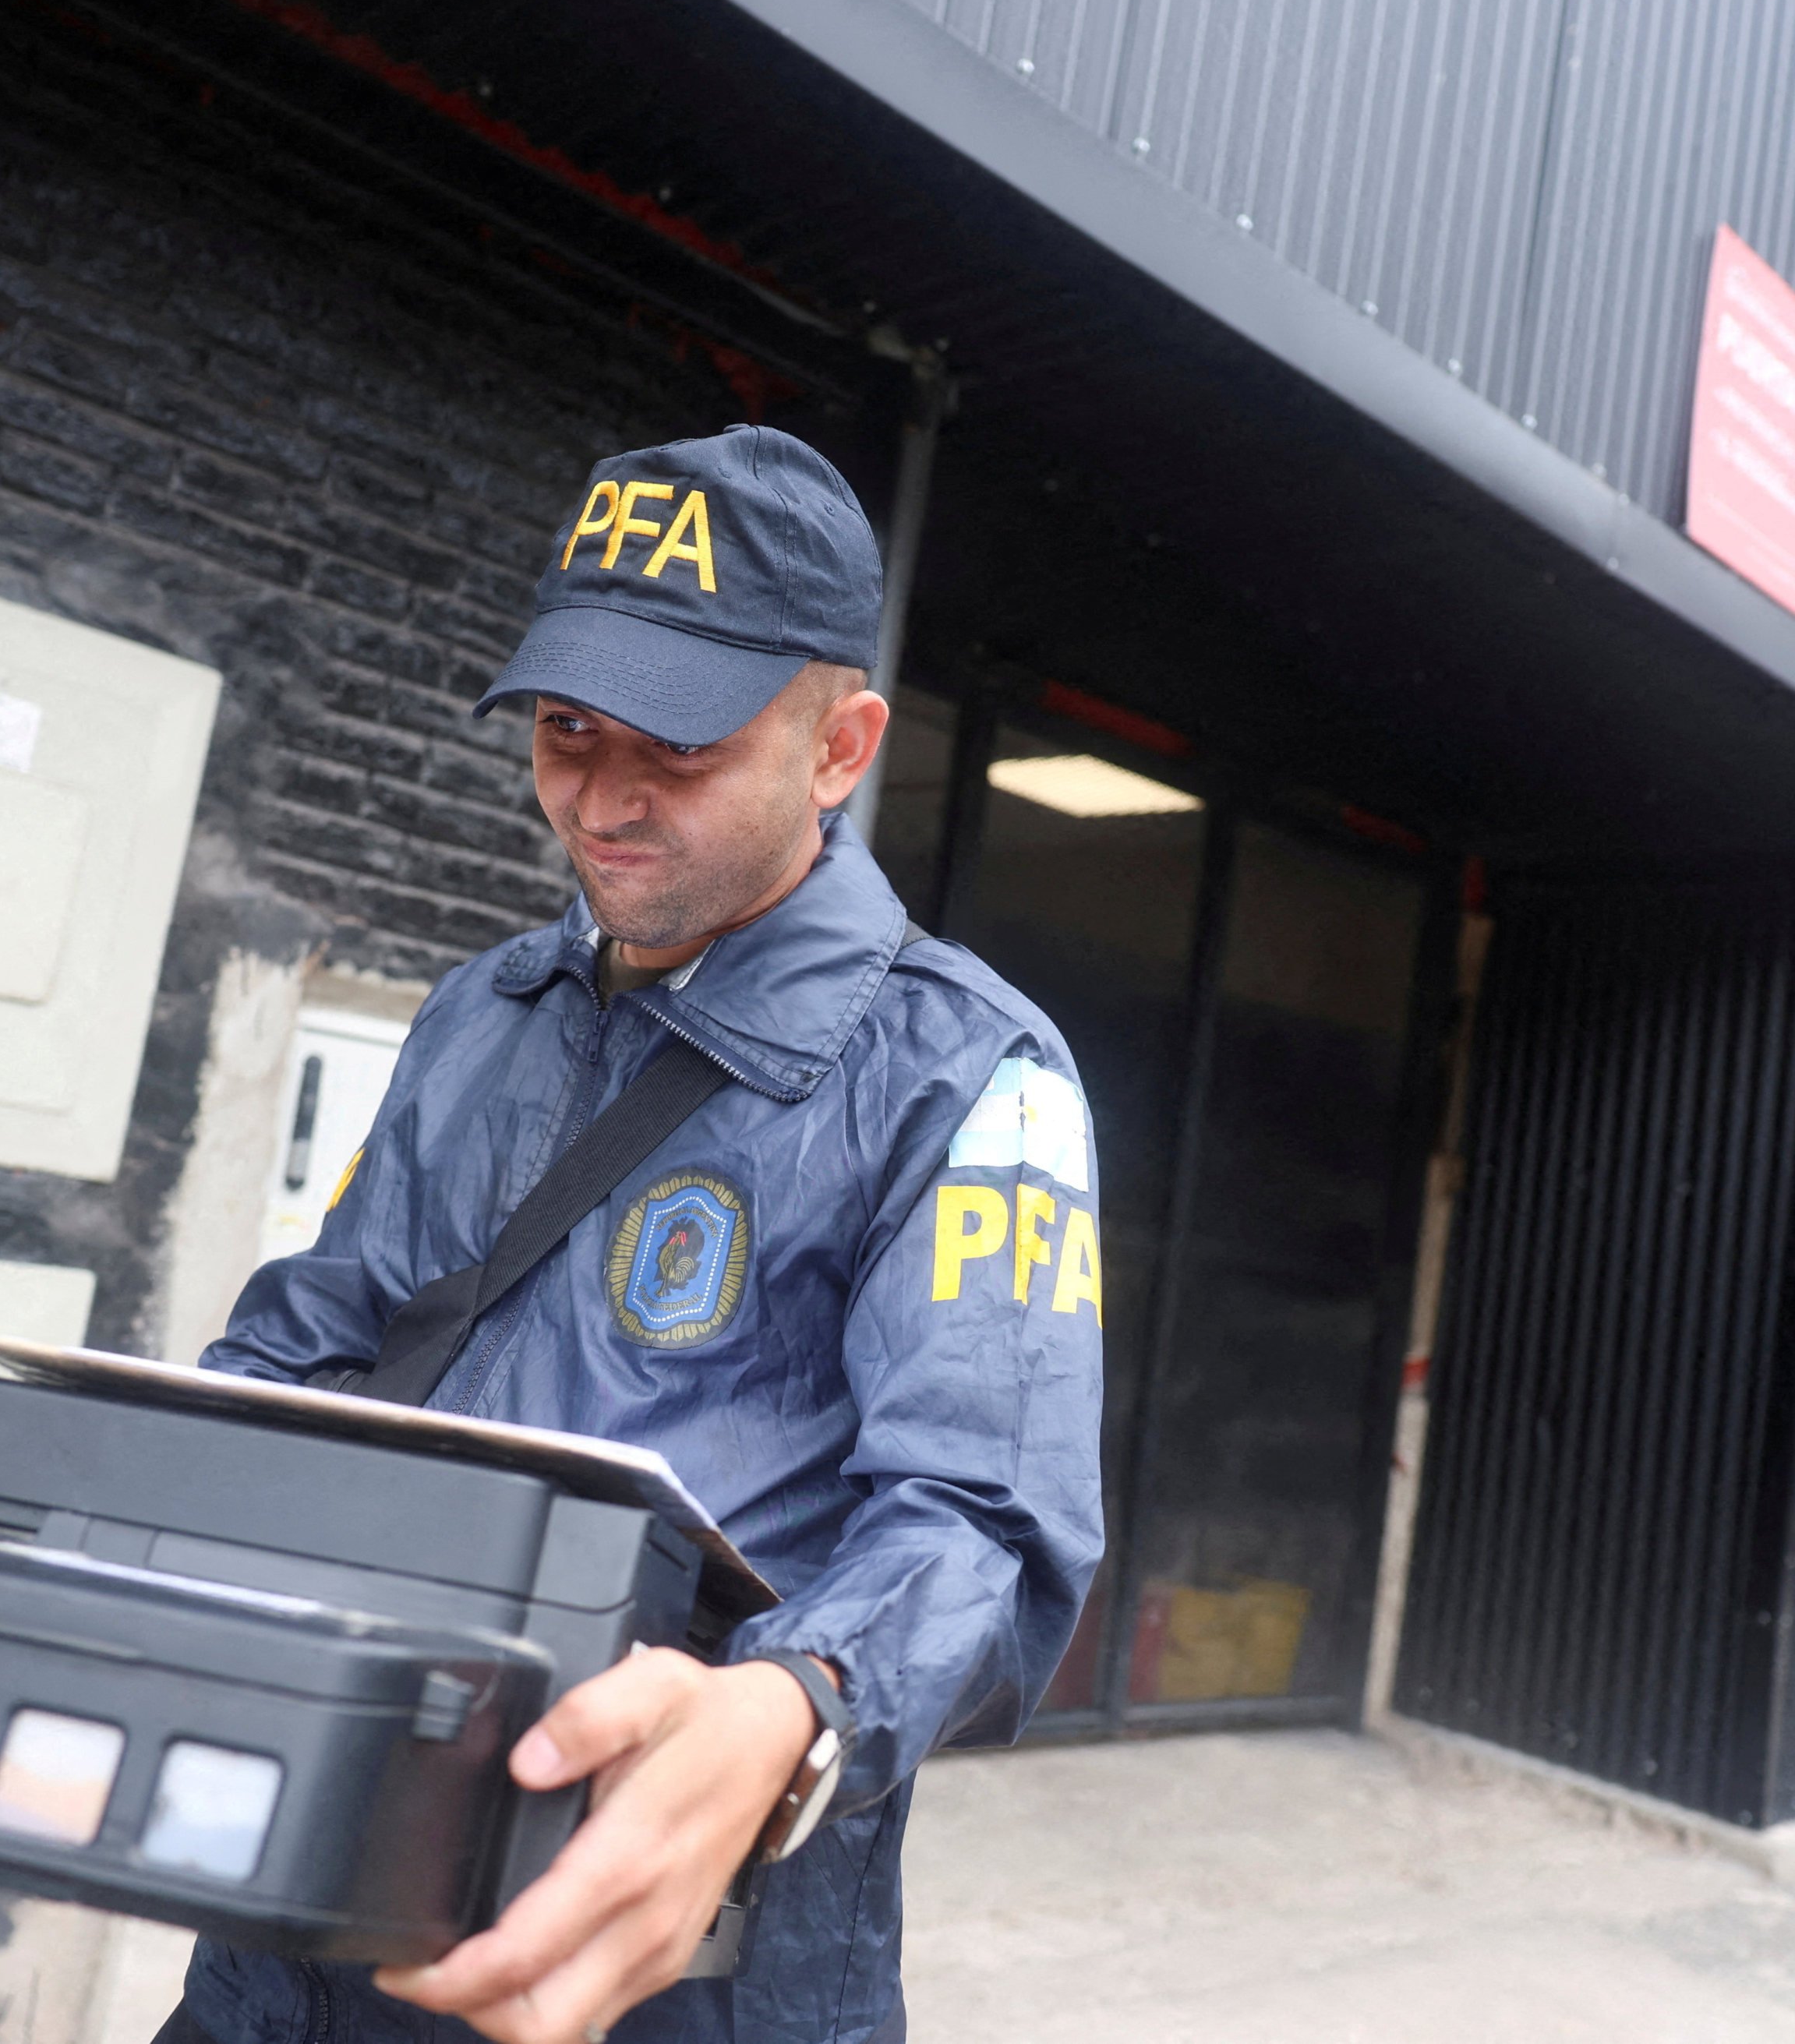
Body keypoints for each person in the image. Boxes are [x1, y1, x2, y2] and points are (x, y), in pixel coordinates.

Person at [171, 424, 1108, 2044]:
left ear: (838, 749)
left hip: (671, 1964)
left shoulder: (965, 1074)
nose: (601, 799)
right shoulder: (480, 1011)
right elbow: (315, 1343)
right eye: (565, 729)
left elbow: (984, 1519)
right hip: (294, 1930)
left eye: (675, 746)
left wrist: (794, 1703)